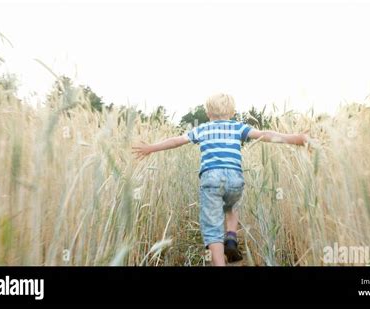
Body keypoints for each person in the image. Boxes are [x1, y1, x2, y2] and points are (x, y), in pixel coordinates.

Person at [132, 93, 309, 266]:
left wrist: (151, 148)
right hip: (235, 178)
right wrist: (294, 138)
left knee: (212, 228)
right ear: (232, 113)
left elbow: (177, 141)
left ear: (208, 113)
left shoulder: (202, 129)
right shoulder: (238, 127)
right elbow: (265, 134)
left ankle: (218, 262)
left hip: (211, 179)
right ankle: (231, 237)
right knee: (232, 206)